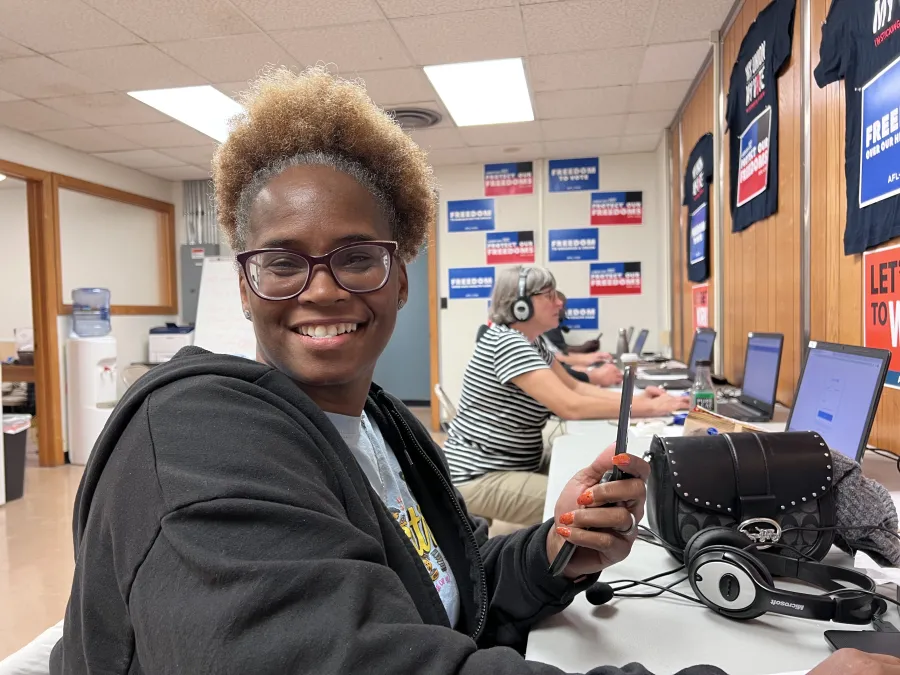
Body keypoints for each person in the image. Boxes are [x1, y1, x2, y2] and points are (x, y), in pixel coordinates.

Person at [44, 67, 888, 675]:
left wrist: (556, 550)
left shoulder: (374, 420)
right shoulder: (196, 441)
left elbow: (445, 574)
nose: (322, 289)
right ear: (246, 280)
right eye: (283, 262)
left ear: (402, 275)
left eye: (357, 257)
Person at [443, 265, 689, 527]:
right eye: (549, 295)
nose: (559, 302)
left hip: (514, 463)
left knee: (594, 474)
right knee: (593, 505)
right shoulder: (508, 344)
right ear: (521, 306)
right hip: (480, 475)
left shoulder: (529, 341)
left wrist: (640, 402)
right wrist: (653, 409)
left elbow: (575, 387)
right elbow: (570, 406)